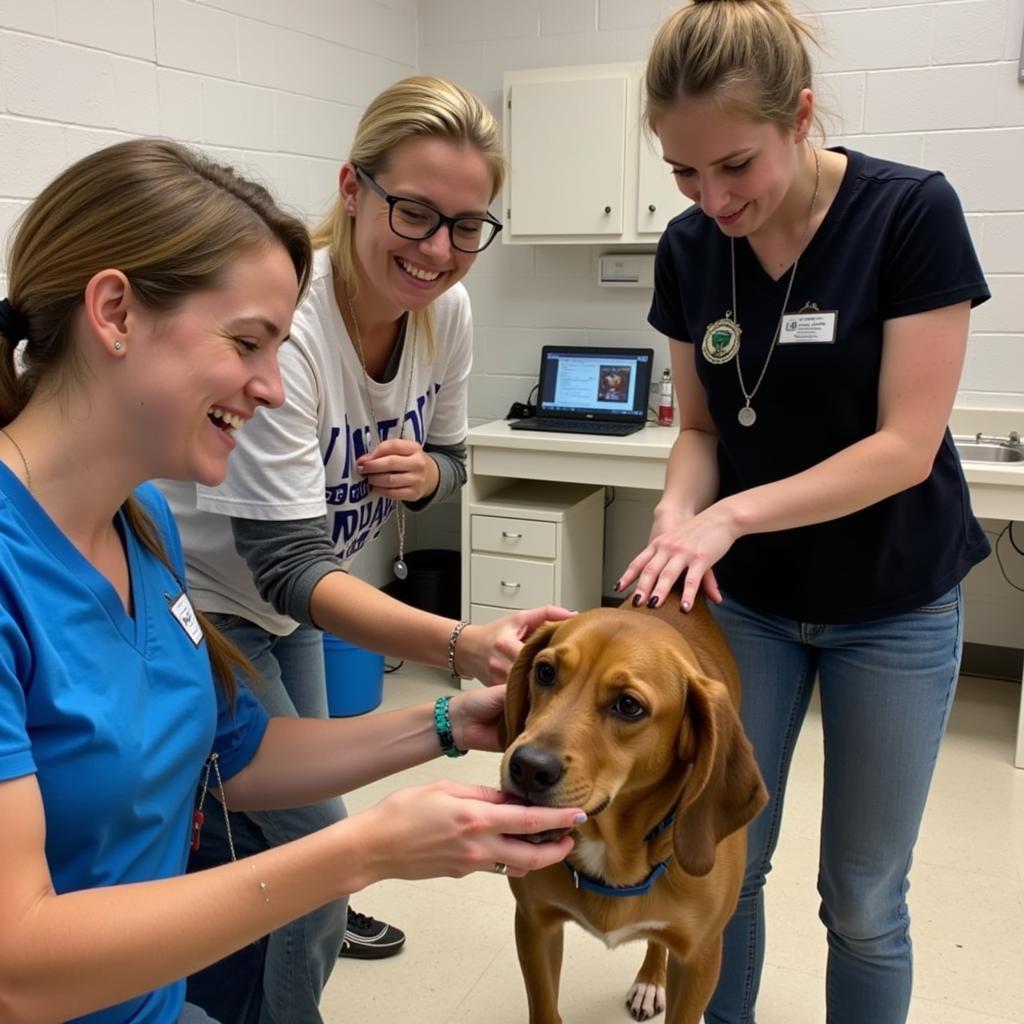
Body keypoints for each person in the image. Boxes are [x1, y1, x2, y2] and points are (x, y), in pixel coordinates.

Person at [0, 137, 586, 1024]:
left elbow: (238, 756)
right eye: (247, 344)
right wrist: (364, 852)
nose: (273, 390)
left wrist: (448, 721)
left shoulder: (143, 525)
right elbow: (21, 968)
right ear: (115, 311)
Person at [157, 76, 569, 1024]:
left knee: (299, 812)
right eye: (415, 213)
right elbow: (287, 567)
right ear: (353, 188)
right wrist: (463, 645)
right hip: (208, 600)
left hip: (283, 603)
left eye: (467, 226)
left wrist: (431, 478)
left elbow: (457, 457)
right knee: (311, 857)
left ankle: (290, 925)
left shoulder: (445, 313)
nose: (438, 250)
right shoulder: (290, 328)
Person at [617, 2, 991, 1022]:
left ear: (800, 118)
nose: (711, 197)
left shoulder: (907, 213)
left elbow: (902, 447)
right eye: (683, 173)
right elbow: (697, 431)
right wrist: (675, 519)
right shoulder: (690, 249)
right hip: (749, 609)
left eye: (734, 164)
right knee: (724, 865)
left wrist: (728, 518)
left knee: (863, 897)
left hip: (893, 603)